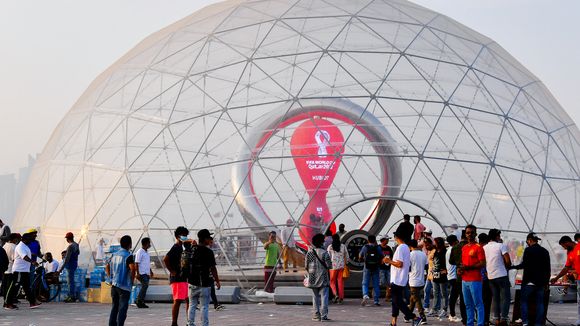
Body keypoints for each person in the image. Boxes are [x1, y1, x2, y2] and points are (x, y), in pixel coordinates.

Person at [511, 232, 550, 326]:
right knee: (540, 303)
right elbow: (548, 269)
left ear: (529, 240)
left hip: (529, 281)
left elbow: (524, 265)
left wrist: (513, 267)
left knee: (524, 302)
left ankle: (525, 322)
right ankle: (538, 323)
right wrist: (546, 282)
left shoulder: (528, 250)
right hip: (540, 282)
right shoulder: (545, 251)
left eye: (527, 241)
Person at [384, 231, 422, 326]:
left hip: (397, 279)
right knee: (395, 301)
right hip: (400, 279)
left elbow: (399, 264)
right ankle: (393, 322)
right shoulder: (405, 247)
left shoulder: (400, 248)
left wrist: (389, 261)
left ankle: (414, 317)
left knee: (398, 301)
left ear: (396, 237)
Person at [186, 229, 221, 326]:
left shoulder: (192, 250)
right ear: (205, 239)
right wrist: (217, 281)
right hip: (205, 283)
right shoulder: (209, 252)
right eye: (209, 238)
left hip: (192, 282)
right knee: (204, 307)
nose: (210, 240)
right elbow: (213, 268)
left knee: (192, 305)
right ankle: (205, 324)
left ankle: (190, 324)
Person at [163, 226, 191, 326]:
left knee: (188, 299)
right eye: (184, 235)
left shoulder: (182, 247)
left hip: (184, 277)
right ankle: (174, 323)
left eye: (186, 235)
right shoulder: (175, 247)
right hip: (178, 278)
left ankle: (189, 321)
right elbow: (165, 259)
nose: (186, 237)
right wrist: (172, 271)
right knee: (178, 300)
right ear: (178, 236)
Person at [5, 233, 41, 310]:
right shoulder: (20, 246)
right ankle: (7, 304)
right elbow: (24, 257)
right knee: (14, 287)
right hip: (19, 270)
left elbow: (27, 254)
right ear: (25, 239)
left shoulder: (25, 246)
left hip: (24, 270)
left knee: (27, 287)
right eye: (29, 239)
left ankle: (32, 303)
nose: (31, 241)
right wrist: (32, 262)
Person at [106, 235, 136, 326]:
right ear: (130, 244)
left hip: (114, 285)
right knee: (123, 308)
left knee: (114, 307)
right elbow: (133, 269)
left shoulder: (114, 255)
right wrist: (131, 280)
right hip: (124, 286)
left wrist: (110, 277)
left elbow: (107, 266)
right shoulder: (128, 256)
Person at [459, 224, 486, 326]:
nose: (469, 234)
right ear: (465, 234)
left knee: (478, 304)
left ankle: (480, 324)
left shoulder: (478, 247)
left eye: (471, 232)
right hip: (464, 280)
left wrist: (468, 268)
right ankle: (469, 323)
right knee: (468, 305)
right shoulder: (464, 247)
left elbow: (482, 263)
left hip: (475, 280)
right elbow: (463, 263)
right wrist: (460, 270)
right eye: (467, 233)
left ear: (475, 234)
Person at [550, 235, 580, 326]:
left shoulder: (579, 246)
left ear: (567, 242)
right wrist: (556, 278)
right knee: (579, 301)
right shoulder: (569, 253)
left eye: (563, 246)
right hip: (579, 279)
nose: (563, 248)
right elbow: (566, 268)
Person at [484, 229, 511, 326]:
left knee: (495, 298)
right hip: (502, 275)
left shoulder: (485, 247)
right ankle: (503, 319)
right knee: (505, 298)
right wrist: (508, 266)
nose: (500, 237)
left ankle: (496, 319)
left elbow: (484, 262)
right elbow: (508, 261)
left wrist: (487, 272)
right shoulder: (501, 245)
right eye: (499, 236)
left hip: (491, 276)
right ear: (496, 237)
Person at [305, 233, 332, 321]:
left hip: (312, 278)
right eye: (323, 241)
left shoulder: (309, 253)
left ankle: (316, 315)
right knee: (324, 296)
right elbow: (329, 266)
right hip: (323, 278)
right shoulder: (325, 253)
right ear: (321, 242)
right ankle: (324, 316)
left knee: (315, 297)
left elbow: (306, 266)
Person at [359, 234, 383, 306]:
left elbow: (360, 255)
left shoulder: (365, 247)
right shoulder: (378, 247)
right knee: (376, 284)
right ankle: (376, 300)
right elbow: (382, 256)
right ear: (375, 240)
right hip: (376, 267)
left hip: (367, 267)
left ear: (368, 240)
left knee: (365, 283)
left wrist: (362, 259)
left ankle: (365, 295)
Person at [449, 231, 468, 324]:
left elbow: (451, 261)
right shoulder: (471, 246)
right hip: (471, 275)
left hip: (459, 276)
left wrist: (458, 263)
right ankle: (474, 317)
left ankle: (464, 318)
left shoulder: (455, 247)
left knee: (462, 298)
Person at [408, 239, 428, 324]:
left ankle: (422, 316)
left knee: (417, 299)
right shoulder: (423, 254)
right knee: (413, 298)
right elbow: (426, 266)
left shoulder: (410, 255)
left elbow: (408, 268)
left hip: (413, 280)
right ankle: (407, 315)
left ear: (410, 246)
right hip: (421, 280)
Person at [57, 232, 80, 302]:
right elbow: (78, 253)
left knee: (70, 282)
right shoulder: (76, 245)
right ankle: (72, 296)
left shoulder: (70, 246)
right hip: (74, 264)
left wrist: (60, 269)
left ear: (67, 239)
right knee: (71, 281)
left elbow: (66, 259)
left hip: (70, 265)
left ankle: (71, 297)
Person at [446, 235, 462, 323]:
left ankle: (451, 314)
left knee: (454, 295)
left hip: (451, 276)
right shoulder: (453, 249)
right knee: (454, 296)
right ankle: (452, 315)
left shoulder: (449, 250)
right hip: (454, 276)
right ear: (455, 241)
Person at [432, 237, 449, 319]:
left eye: (435, 242)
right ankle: (435, 309)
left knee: (444, 293)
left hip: (442, 275)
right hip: (435, 274)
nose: (434, 244)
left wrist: (446, 271)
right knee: (435, 292)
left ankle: (444, 310)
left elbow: (447, 263)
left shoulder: (444, 252)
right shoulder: (436, 251)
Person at [327, 233, 347, 304]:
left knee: (332, 282)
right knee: (340, 281)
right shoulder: (343, 246)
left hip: (333, 267)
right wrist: (345, 264)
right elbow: (346, 256)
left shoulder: (330, 247)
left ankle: (335, 295)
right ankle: (341, 297)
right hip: (341, 266)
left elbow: (328, 257)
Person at [2, 233, 20, 309]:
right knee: (10, 288)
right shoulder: (14, 247)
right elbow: (14, 259)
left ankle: (6, 302)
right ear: (15, 239)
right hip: (11, 270)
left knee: (5, 287)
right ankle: (8, 304)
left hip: (5, 270)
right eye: (17, 239)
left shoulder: (5, 245)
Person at [135, 237, 153, 308]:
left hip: (146, 273)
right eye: (149, 243)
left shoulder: (146, 252)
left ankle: (141, 301)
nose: (150, 244)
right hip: (142, 273)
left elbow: (147, 263)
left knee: (145, 286)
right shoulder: (140, 252)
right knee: (145, 285)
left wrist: (151, 271)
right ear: (146, 243)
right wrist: (137, 273)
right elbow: (136, 263)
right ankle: (138, 300)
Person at [207, 237, 225, 311]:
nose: (212, 244)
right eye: (211, 242)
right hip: (205, 275)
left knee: (211, 289)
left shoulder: (209, 250)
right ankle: (215, 304)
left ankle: (215, 304)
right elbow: (213, 267)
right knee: (209, 289)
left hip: (209, 274)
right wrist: (217, 280)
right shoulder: (207, 251)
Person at [478, 233, 492, 326]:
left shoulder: (476, 248)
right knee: (486, 300)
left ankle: (480, 319)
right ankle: (485, 320)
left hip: (477, 279)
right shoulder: (486, 249)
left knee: (479, 300)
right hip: (486, 278)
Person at [421, 237, 435, 315]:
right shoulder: (429, 251)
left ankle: (436, 308)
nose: (425, 246)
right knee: (426, 290)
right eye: (424, 245)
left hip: (434, 275)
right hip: (429, 274)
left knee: (436, 292)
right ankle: (426, 306)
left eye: (426, 244)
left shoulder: (434, 251)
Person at [379, 235, 394, 301]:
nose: (387, 241)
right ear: (383, 240)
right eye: (386, 239)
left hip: (388, 268)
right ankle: (375, 293)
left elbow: (392, 256)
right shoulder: (378, 248)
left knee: (389, 283)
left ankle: (387, 297)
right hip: (380, 268)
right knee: (381, 282)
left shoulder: (389, 248)